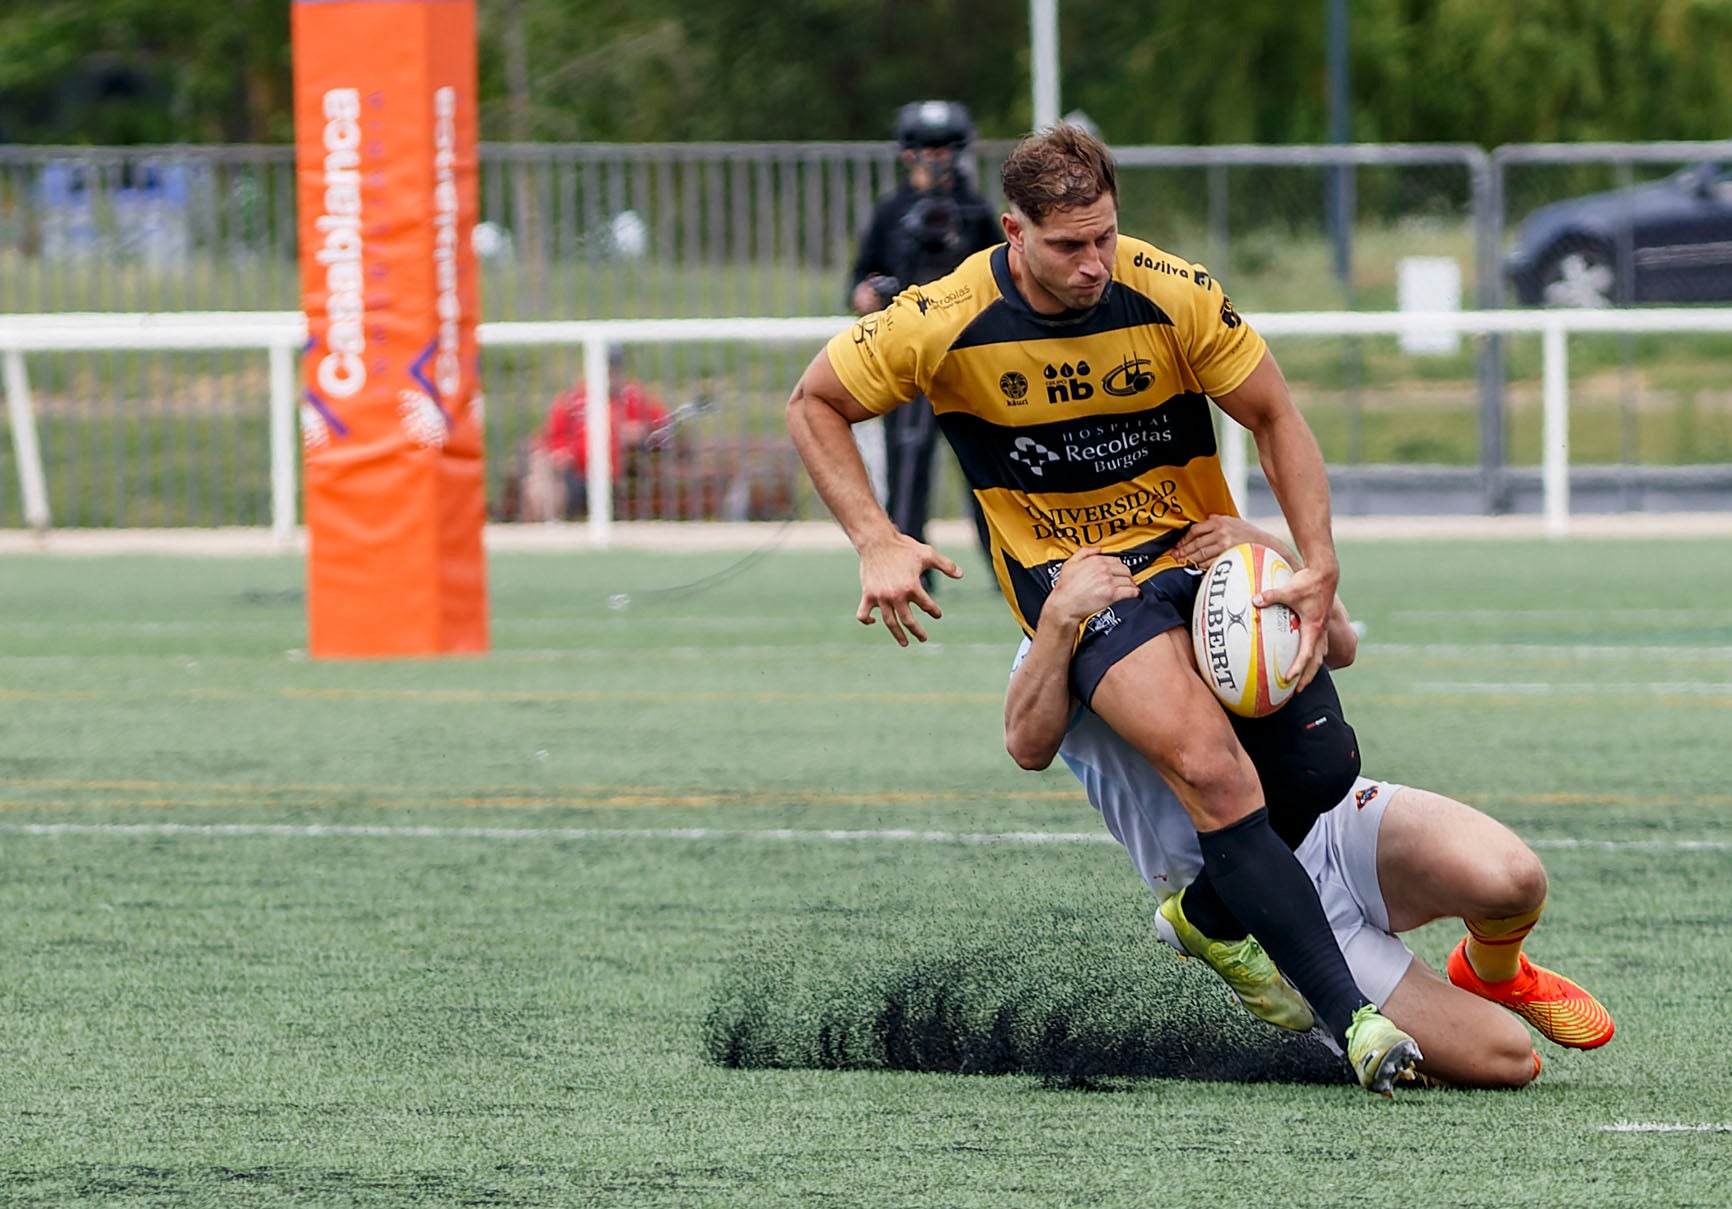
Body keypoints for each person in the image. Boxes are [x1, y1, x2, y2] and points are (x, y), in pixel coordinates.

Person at [787, 121, 1421, 1093]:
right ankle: (1358, 1024)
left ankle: (1206, 920)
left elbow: (1275, 415)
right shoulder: (943, 315)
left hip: (1200, 551)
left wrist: (1319, 559)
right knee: (1215, 778)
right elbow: (812, 402)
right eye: (1068, 246)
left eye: (1105, 239)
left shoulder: (1169, 288)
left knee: (1327, 765)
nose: (1093, 264)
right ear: (1014, 231)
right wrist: (875, 539)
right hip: (1081, 581)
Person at [1004, 516, 1616, 1089]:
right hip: (1246, 890)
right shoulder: (1072, 604)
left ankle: (1494, 972)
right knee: (1510, 1060)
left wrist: (1278, 553)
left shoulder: (1197, 551)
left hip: (1332, 822)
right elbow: (1026, 743)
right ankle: (1330, 1012)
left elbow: (1341, 645)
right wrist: (1058, 618)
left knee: (1515, 879)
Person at [847, 100, 1001, 587]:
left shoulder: (976, 212)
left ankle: (1006, 571)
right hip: (908, 363)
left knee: (988, 472)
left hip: (969, 359)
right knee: (908, 471)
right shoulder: (891, 213)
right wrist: (870, 293)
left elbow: (1004, 274)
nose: (936, 159)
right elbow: (860, 282)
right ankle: (910, 565)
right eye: (926, 149)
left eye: (944, 149)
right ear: (908, 154)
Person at [521, 345, 669, 522]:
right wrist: (560, 453)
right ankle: (550, 528)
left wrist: (641, 433)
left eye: (614, 367)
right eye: (606, 366)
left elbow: (662, 428)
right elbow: (552, 438)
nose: (610, 372)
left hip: (621, 476)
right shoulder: (574, 399)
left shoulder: (633, 396)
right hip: (576, 473)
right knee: (540, 471)